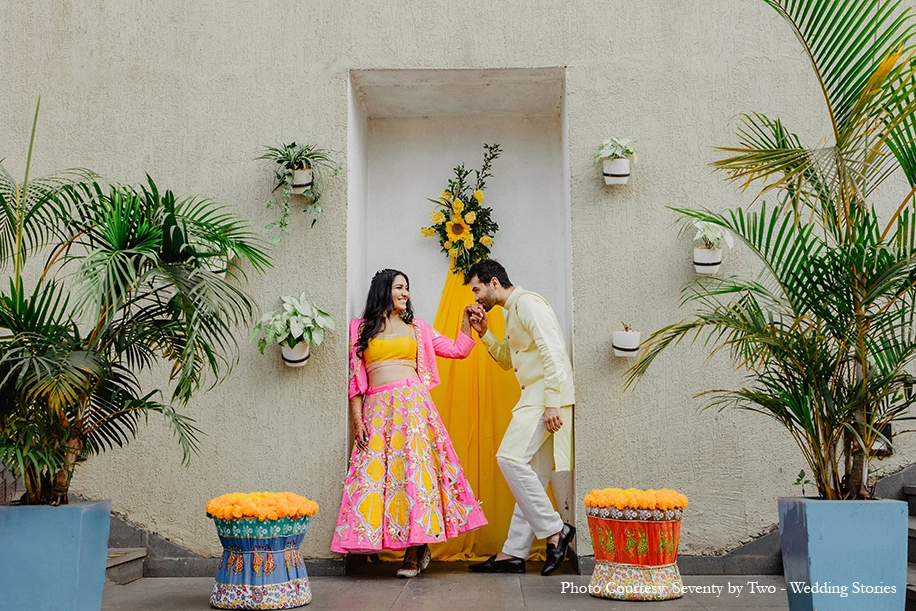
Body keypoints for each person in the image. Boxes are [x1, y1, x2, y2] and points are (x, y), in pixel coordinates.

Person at [331, 268, 488, 578]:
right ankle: (369, 543)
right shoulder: (359, 330)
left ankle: (414, 553)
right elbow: (355, 384)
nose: (404, 293)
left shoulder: (417, 328)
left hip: (415, 411)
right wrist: (358, 421)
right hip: (378, 411)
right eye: (398, 287)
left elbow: (457, 351)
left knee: (415, 477)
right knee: (377, 481)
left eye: (406, 288)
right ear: (382, 290)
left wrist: (466, 325)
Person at [463, 259, 576, 576]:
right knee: (534, 479)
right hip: (536, 396)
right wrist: (484, 333)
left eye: (477, 289)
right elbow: (506, 361)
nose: (476, 297)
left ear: (494, 283)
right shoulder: (512, 312)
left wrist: (552, 402)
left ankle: (556, 531)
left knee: (509, 459)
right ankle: (513, 553)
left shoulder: (527, 304)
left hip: (543, 398)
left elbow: (553, 351)